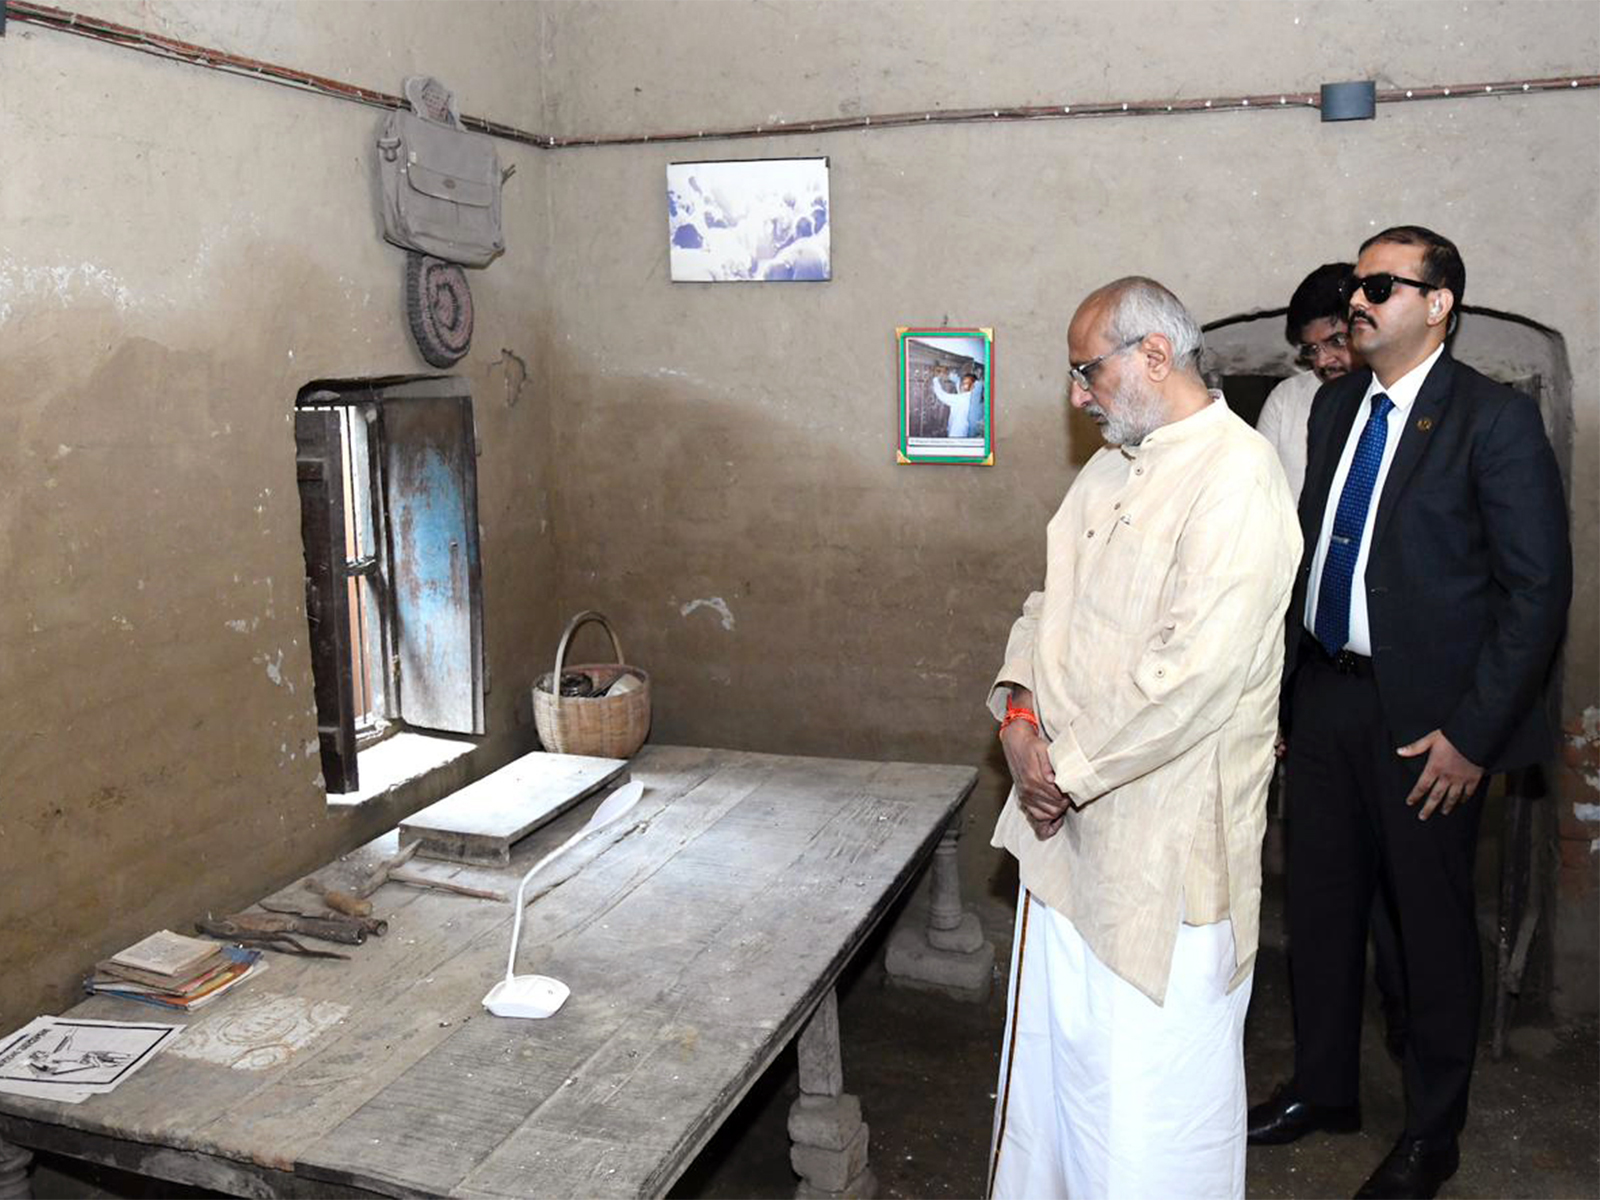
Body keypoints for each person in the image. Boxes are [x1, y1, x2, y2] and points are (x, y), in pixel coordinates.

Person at [1248, 227, 1571, 1199]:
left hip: (1427, 727)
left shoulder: (1489, 421)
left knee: (1427, 933)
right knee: (1321, 907)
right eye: (1354, 283)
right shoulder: (1336, 406)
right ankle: (1323, 1089)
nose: (1357, 299)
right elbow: (1311, 561)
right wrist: (1284, 695)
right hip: (1327, 702)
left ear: (1437, 304)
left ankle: (1434, 1133)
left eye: (1380, 285)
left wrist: (1474, 736)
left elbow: (1536, 594)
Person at [987, 277, 1300, 1200]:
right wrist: (1016, 715)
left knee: (1145, 1114)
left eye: (1088, 373)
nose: (1077, 396)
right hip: (1067, 836)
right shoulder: (1109, 468)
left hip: (1160, 849)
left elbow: (1193, 677)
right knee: (1058, 1086)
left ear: (1154, 358)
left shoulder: (1238, 477)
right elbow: (1048, 606)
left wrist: (1063, 772)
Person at [1257, 262, 1359, 501]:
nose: (1323, 361)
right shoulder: (1287, 399)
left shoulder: (1395, 400)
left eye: (1337, 341)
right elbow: (1258, 494)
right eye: (1312, 349)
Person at [931, 370, 977, 438]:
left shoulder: (961, 398)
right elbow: (961, 389)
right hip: (962, 433)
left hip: (957, 434)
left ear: (972, 386)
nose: (962, 385)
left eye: (965, 383)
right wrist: (953, 378)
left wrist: (935, 379)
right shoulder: (970, 397)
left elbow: (942, 395)